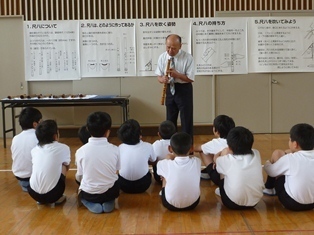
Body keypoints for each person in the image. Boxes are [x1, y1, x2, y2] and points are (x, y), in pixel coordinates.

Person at [75, 111, 120, 214]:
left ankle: (87, 202)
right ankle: (109, 202)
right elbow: (117, 170)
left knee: (79, 179)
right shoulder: (115, 149)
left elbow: (80, 175)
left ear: (87, 129)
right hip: (110, 192)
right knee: (115, 181)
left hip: (89, 193)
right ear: (108, 132)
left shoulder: (81, 151)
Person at [209, 126, 264, 210]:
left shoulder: (227, 160)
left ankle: (222, 189)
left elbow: (216, 161)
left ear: (229, 147)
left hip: (231, 202)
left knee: (223, 166)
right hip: (254, 202)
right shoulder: (256, 153)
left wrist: (219, 154)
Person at [263, 123, 314, 211]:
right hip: (312, 204)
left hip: (292, 203)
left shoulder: (290, 158)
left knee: (281, 174)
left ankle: (269, 188)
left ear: (295, 144)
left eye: (290, 140)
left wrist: (268, 162)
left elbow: (270, 171)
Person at [155, 34, 195, 143]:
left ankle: (188, 146)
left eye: (173, 48)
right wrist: (162, 79)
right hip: (169, 88)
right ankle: (171, 145)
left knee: (186, 119)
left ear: (180, 46)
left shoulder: (188, 57)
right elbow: (158, 76)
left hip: (184, 89)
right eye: (168, 47)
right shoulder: (163, 57)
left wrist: (177, 75)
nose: (170, 50)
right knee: (170, 119)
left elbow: (190, 78)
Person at [28, 120, 70, 206]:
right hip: (54, 194)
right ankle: (58, 197)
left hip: (33, 193)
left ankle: (42, 199)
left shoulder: (34, 150)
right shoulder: (63, 148)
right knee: (63, 166)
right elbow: (67, 166)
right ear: (55, 136)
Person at [157, 132, 201, 211]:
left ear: (170, 148)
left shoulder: (164, 163)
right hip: (193, 203)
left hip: (170, 204)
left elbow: (162, 171)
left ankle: (164, 191)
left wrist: (169, 156)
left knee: (164, 175)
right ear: (191, 148)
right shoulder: (197, 161)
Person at [117, 119, 156, 193]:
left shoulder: (120, 147)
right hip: (143, 185)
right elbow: (153, 161)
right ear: (140, 134)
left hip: (123, 185)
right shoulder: (148, 146)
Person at [194, 115, 235, 180]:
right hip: (235, 175)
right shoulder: (236, 141)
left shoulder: (216, 143)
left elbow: (197, 148)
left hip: (221, 178)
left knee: (203, 150)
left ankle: (209, 172)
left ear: (217, 131)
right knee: (210, 150)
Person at [11, 107, 42, 192]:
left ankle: (26, 185)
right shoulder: (39, 136)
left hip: (20, 176)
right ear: (35, 124)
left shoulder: (15, 138)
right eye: (40, 121)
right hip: (34, 177)